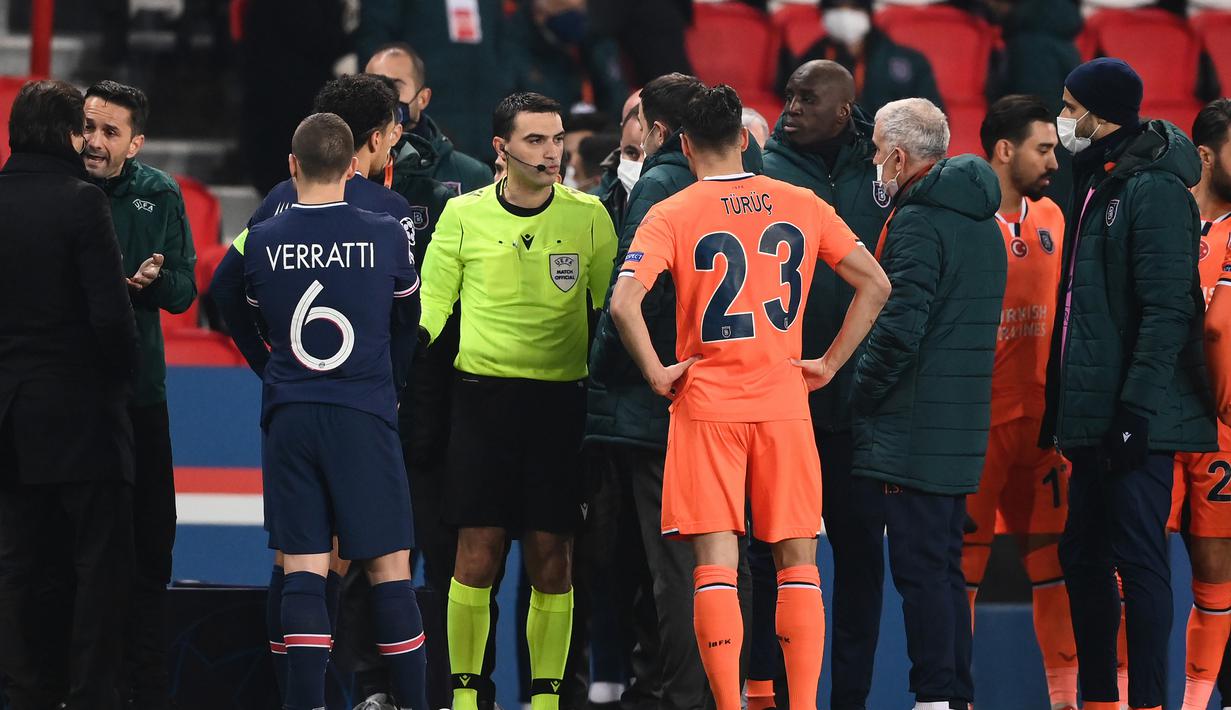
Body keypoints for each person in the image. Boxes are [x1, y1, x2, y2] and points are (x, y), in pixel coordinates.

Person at [609, 83, 890, 710]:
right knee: (798, 562)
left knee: (714, 563)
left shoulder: (671, 212)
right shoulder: (800, 201)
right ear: (744, 138)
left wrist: (657, 372)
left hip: (706, 403)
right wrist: (829, 364)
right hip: (784, 400)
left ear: (683, 144)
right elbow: (875, 283)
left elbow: (624, 302)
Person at [210, 73, 422, 707]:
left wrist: (268, 365)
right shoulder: (389, 229)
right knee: (388, 567)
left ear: (293, 164)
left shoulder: (266, 235)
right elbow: (408, 321)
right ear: (356, 159)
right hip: (363, 409)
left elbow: (228, 297)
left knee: (302, 565)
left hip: (291, 410)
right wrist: (392, 386)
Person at [417, 92, 617, 710]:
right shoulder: (461, 216)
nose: (551, 152)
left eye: (556, 139)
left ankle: (548, 699)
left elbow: (613, 317)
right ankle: (467, 696)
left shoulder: (589, 218)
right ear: (499, 150)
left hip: (560, 409)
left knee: (551, 557)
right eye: (534, 141)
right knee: (473, 554)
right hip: (481, 405)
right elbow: (429, 313)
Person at [1041, 57, 1219, 710]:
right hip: (1093, 413)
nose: (1063, 118)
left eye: (1069, 106)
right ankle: (1097, 699)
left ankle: (1147, 701)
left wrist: (1133, 411)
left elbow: (1168, 307)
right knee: (1082, 557)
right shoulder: (1099, 177)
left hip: (1135, 414)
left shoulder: (1153, 189)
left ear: (1100, 111)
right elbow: (1078, 310)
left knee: (1139, 561)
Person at [585, 72, 759, 710]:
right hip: (744, 399)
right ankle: (728, 691)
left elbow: (628, 306)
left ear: (665, 132)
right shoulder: (764, 187)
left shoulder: (661, 185)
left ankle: (687, 695)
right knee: (728, 559)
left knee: (678, 569)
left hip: (665, 406)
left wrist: (609, 370)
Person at [849, 98, 1007, 710]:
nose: (874, 166)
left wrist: (857, 390)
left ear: (896, 155)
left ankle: (935, 697)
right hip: (959, 421)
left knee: (921, 572)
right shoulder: (981, 220)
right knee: (944, 568)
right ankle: (954, 695)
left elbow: (898, 331)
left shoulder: (918, 222)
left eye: (876, 155)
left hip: (914, 426)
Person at [0, 78, 140, 710]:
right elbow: (111, 319)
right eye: (82, 129)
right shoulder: (81, 203)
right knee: (95, 568)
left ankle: (23, 693)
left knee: (15, 566)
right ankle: (88, 697)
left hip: (7, 417)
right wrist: (119, 380)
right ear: (64, 134)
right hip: (80, 419)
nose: (89, 139)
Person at [756, 58, 890, 710]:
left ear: (844, 110)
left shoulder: (884, 169)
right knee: (776, 560)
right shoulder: (765, 170)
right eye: (787, 95)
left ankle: (851, 699)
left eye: (807, 98)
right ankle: (777, 695)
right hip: (785, 402)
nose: (791, 106)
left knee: (862, 563)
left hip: (863, 406)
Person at [80, 79, 197, 710]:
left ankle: (145, 692)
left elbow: (183, 290)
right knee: (76, 557)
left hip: (140, 397)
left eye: (109, 132)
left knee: (152, 550)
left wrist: (147, 284)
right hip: (73, 399)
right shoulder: (59, 191)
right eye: (88, 127)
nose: (94, 142)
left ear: (137, 142)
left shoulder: (159, 194)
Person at [964, 94, 1078, 710]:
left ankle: (1065, 698)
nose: (1053, 161)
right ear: (1005, 150)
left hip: (1043, 429)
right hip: (977, 428)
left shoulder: (1055, 218)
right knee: (963, 570)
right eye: (1044, 148)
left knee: (1055, 565)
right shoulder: (963, 223)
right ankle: (949, 695)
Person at [1170, 98, 1231, 710]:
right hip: (1159, 418)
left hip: (1221, 428)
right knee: (1135, 568)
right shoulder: (1166, 220)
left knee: (1217, 575)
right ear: (1208, 156)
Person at [356, 1, 513, 160]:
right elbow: (375, 40)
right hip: (425, 123)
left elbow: (504, 41)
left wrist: (503, 83)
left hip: (484, 121)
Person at [365, 42, 495, 196]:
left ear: (423, 98)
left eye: (395, 86)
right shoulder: (348, 168)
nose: (384, 94)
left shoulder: (471, 174)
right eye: (375, 84)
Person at [781, 0, 943, 115]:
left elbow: (933, 116)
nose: (845, 16)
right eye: (836, 8)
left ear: (867, 12)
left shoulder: (908, 62)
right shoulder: (811, 59)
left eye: (853, 7)